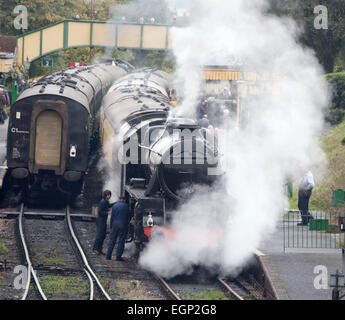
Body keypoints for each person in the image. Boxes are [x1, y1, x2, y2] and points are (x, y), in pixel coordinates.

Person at [106, 196, 129, 261]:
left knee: (112, 240)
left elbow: (112, 217)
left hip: (114, 225)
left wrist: (111, 226)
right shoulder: (126, 206)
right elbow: (128, 217)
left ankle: (108, 256)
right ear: (124, 200)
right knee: (121, 241)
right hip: (123, 225)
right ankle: (118, 257)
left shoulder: (115, 206)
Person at [93, 190, 113, 255]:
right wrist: (108, 212)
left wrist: (116, 203)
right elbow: (100, 212)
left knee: (103, 235)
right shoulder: (102, 202)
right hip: (100, 221)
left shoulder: (106, 201)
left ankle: (99, 249)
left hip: (103, 220)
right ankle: (95, 249)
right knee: (99, 235)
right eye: (109, 195)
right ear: (106, 195)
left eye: (110, 195)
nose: (110, 196)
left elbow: (109, 205)